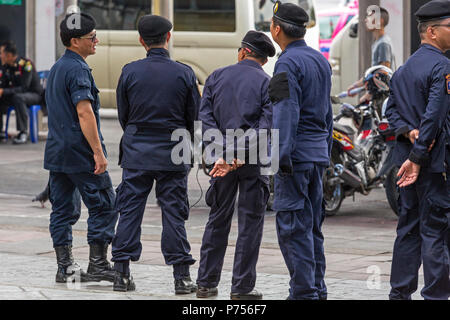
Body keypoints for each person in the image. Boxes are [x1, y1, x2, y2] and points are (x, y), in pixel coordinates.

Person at [111, 14, 200, 294]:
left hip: (137, 150)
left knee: (130, 211)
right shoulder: (184, 73)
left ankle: (121, 273)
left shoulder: (129, 71)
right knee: (174, 212)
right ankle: (181, 277)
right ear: (168, 38)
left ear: (141, 41)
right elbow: (193, 118)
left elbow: (124, 116)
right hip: (174, 151)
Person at [196, 30, 275, 300]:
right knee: (250, 224)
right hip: (253, 161)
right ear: (264, 60)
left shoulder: (216, 76)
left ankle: (205, 284)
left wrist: (222, 154)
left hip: (220, 162)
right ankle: (241, 288)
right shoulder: (267, 83)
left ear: (242, 52)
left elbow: (205, 116)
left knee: (217, 220)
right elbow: (265, 127)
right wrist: (237, 153)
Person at [44, 13, 118, 284]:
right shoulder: (78, 70)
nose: (96, 40)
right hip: (80, 152)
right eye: (91, 38)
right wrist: (98, 153)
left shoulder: (57, 68)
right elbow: (84, 112)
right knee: (105, 205)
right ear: (75, 41)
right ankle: (97, 264)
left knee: (62, 210)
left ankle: (65, 267)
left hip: (57, 151)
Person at [385, 0, 450, 300]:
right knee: (435, 230)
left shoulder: (404, 68)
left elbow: (392, 111)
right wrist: (419, 154)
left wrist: (407, 133)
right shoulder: (443, 67)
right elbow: (435, 116)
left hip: (405, 165)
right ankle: (436, 295)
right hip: (432, 164)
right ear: (433, 31)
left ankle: (399, 294)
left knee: (408, 228)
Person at [268, 1, 333, 300]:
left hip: (295, 157)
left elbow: (286, 111)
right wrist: (326, 151)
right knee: (311, 227)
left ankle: (303, 293)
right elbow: (327, 111)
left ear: (277, 29)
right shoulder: (319, 60)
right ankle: (317, 289)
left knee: (293, 228)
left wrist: (280, 159)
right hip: (317, 155)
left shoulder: (286, 64)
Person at [347, 6, 394, 103]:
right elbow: (372, 74)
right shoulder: (378, 42)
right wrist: (356, 86)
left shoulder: (383, 44)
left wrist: (369, 94)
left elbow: (383, 75)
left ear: (379, 21)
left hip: (383, 98)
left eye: (370, 17)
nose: (365, 20)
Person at [0, 41, 43, 144]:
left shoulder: (26, 64)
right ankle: (0, 131)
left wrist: (4, 91)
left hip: (34, 95)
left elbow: (25, 88)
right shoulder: (6, 67)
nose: (0, 56)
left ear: (9, 55)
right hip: (16, 95)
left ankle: (23, 132)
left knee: (18, 98)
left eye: (2, 53)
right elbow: (4, 85)